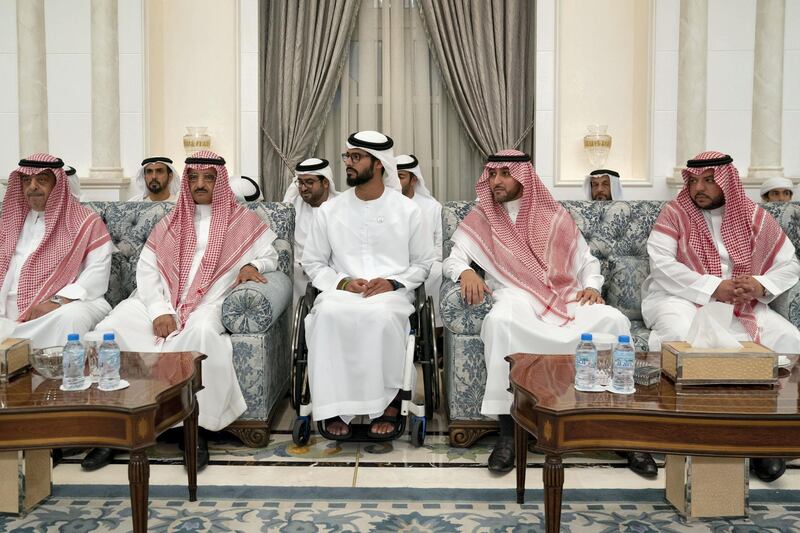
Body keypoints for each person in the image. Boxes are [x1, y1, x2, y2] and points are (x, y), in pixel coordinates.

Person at [83, 151, 279, 471]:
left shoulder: (242, 221)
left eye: (209, 178)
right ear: (185, 182)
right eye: (193, 178)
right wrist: (160, 309)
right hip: (159, 300)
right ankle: (112, 431)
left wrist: (251, 264)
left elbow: (270, 257)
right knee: (112, 328)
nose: (200, 184)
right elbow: (146, 272)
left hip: (209, 303)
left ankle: (194, 429)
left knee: (200, 334)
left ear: (221, 181)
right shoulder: (171, 221)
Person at [442, 149, 631, 474]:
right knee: (499, 322)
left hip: (565, 296)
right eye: (492, 174)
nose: (496, 181)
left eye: (504, 174)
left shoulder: (553, 215)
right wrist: (465, 272)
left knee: (612, 320)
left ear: (523, 176)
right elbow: (453, 257)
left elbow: (586, 261)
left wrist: (592, 287)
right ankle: (507, 431)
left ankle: (620, 432)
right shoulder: (482, 217)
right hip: (516, 298)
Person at [642, 150, 800, 482]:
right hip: (677, 297)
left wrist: (760, 284)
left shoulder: (754, 216)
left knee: (788, 339)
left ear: (726, 181)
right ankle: (680, 431)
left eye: (709, 181)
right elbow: (663, 267)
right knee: (683, 337)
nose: (699, 187)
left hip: (742, 304)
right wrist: (714, 287)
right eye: (695, 180)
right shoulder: (674, 214)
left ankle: (767, 439)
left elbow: (789, 264)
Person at [302, 131, 435, 439]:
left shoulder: (407, 210)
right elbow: (313, 262)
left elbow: (424, 264)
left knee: (381, 318)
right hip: (341, 292)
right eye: (347, 156)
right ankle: (334, 406)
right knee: (327, 316)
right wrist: (343, 282)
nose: (348, 163)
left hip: (392, 295)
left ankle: (388, 404)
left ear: (378, 164)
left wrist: (393, 281)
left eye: (356, 157)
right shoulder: (330, 210)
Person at [0, 154, 112, 348]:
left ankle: (59, 375)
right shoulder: (9, 222)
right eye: (27, 180)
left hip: (68, 304)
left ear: (58, 184)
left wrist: (58, 301)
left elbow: (97, 273)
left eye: (41, 180)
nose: (32, 186)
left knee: (71, 318)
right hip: (8, 313)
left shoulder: (85, 221)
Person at [283, 158, 339, 306]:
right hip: (297, 280)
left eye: (309, 182)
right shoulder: (291, 206)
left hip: (332, 278)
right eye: (300, 182)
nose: (303, 188)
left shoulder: (341, 206)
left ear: (326, 182)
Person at [396, 154, 443, 328]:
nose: (395, 181)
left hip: (427, 262)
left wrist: (425, 261)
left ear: (413, 179)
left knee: (438, 272)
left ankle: (434, 330)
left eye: (400, 176)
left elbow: (440, 243)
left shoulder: (432, 207)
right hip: (395, 264)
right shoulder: (386, 205)